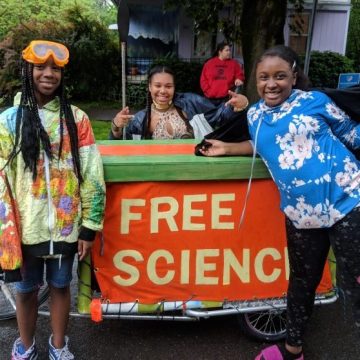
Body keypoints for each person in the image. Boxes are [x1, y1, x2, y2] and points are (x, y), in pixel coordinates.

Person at [200, 45, 360, 360]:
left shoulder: (315, 101)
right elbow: (259, 144)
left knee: (353, 284)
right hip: (301, 215)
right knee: (301, 283)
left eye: (280, 76)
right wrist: (226, 149)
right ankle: (292, 351)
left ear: (293, 76)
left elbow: (352, 133)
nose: (271, 84)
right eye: (264, 77)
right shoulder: (256, 115)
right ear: (255, 81)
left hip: (348, 202)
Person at [0, 40, 106, 359]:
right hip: (25, 229)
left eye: (56, 68)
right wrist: (6, 234)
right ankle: (26, 347)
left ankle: (59, 347)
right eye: (41, 67)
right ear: (27, 70)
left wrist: (88, 226)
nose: (49, 74)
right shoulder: (8, 121)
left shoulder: (77, 119)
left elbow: (92, 174)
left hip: (65, 227)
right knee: (26, 289)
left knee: (61, 287)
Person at [110, 65, 249, 140]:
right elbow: (122, 144)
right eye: (158, 86)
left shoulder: (191, 103)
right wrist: (116, 126)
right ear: (149, 87)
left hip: (194, 173)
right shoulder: (140, 120)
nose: (163, 91)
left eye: (168, 86)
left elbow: (220, 117)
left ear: (174, 87)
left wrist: (238, 106)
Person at [200, 41, 245, 106]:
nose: (229, 52)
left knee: (225, 116)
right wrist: (209, 92)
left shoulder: (234, 64)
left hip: (226, 98)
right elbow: (203, 80)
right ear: (220, 52)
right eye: (227, 50)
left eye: (229, 50)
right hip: (210, 98)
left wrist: (238, 79)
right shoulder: (209, 64)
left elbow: (240, 75)